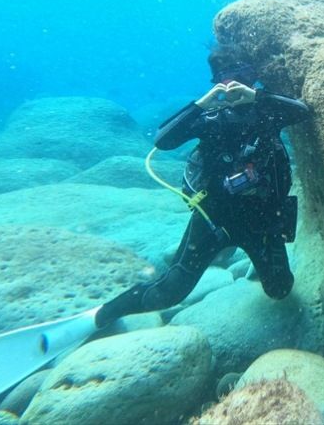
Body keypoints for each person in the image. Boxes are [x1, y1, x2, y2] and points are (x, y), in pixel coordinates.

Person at [94, 44, 311, 328]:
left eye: (241, 74)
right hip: (214, 219)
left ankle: (252, 266)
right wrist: (202, 103)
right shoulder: (210, 119)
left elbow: (303, 111)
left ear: (253, 75)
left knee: (280, 289)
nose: (233, 82)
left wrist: (257, 95)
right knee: (169, 293)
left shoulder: (265, 112)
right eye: (225, 76)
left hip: (264, 220)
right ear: (216, 82)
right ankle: (105, 314)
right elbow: (163, 140)